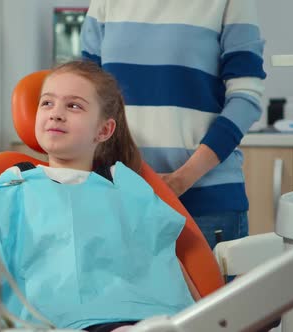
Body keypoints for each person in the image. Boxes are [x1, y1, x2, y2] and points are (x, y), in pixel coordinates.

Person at [0, 61, 199, 331]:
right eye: (47, 103)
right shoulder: (16, 184)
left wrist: (202, 317)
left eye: (73, 106)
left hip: (135, 318)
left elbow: (162, 257)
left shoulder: (126, 186)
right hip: (49, 322)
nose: (56, 114)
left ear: (104, 130)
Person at [80, 0, 266, 249]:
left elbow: (246, 98)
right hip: (120, 201)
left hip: (206, 206)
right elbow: (88, 95)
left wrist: (179, 181)